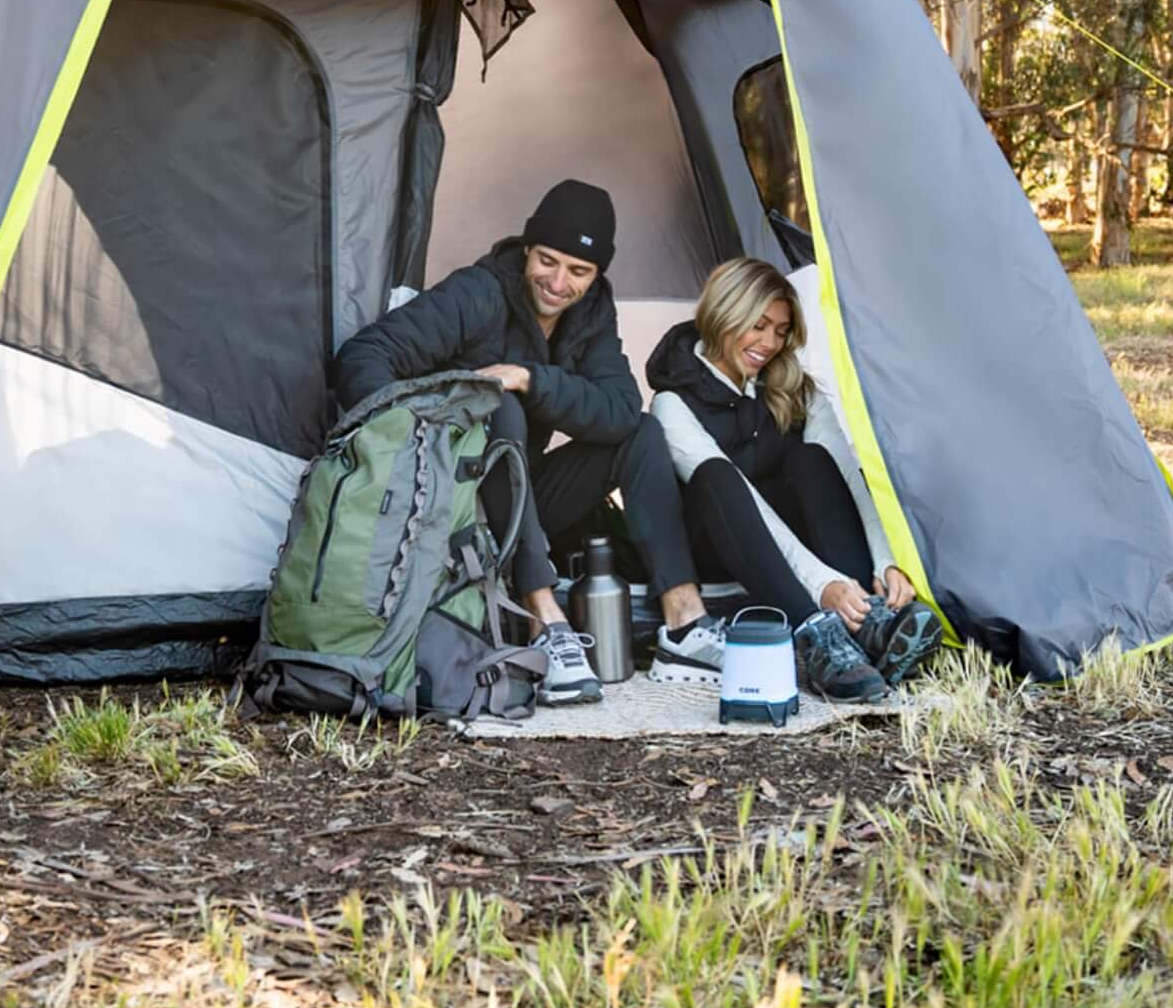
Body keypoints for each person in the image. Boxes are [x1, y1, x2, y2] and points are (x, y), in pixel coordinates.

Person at [332, 179, 727, 703]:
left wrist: (529, 377)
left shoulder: (591, 312)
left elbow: (618, 409)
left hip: (516, 504)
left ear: (597, 274)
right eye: (547, 260)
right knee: (498, 407)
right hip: (446, 504)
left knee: (640, 431)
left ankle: (683, 622)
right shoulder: (477, 292)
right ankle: (547, 623)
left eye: (579, 271)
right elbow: (362, 357)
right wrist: (426, 428)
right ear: (526, 249)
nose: (559, 282)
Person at [646, 256, 942, 704]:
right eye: (758, 325)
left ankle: (865, 616)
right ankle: (816, 633)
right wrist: (821, 584)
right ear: (725, 315)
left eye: (781, 331)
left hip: (805, 562)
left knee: (811, 459)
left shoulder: (793, 387)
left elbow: (848, 473)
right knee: (718, 476)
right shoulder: (672, 403)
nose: (770, 343)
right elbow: (742, 498)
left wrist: (885, 560)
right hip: (723, 559)